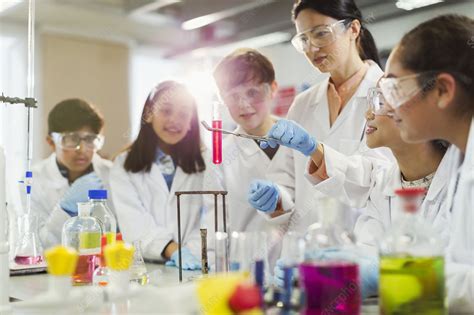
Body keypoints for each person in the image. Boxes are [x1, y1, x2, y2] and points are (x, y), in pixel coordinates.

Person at [271, 89, 450, 296]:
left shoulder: (461, 182)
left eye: (381, 102)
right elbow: (368, 252)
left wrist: (384, 275)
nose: (368, 115)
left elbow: (461, 276)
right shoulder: (383, 186)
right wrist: (326, 268)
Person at [248, 0, 392, 233]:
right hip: (305, 248)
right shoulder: (303, 103)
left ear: (353, 29)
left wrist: (317, 150)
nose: (312, 48)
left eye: (321, 34)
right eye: (304, 39)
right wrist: (275, 197)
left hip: (359, 248)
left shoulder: (386, 94)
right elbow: (286, 179)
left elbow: (384, 179)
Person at [379, 14, 473, 312]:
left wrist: (403, 274)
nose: (388, 107)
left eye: (395, 89)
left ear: (442, 90)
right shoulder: (458, 158)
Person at [203, 48, 289, 269]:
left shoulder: (300, 141)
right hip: (249, 272)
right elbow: (216, 227)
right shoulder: (220, 156)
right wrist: (214, 268)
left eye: (252, 92)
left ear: (273, 89)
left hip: (301, 267)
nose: (243, 105)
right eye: (232, 96)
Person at [110, 81, 205, 270]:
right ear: (149, 114)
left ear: (191, 123)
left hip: (194, 265)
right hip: (145, 269)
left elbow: (210, 218)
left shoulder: (205, 162)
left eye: (184, 114)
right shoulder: (123, 165)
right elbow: (134, 223)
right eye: (166, 111)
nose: (174, 121)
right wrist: (173, 250)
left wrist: (192, 252)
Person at [31, 98, 111, 248]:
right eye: (71, 139)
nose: (82, 149)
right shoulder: (33, 181)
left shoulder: (111, 174)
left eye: (90, 139)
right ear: (51, 142)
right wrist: (64, 210)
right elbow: (37, 246)